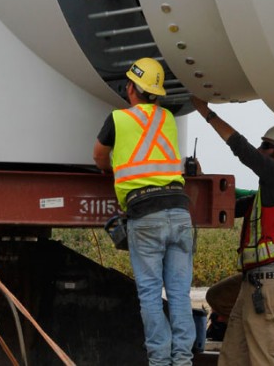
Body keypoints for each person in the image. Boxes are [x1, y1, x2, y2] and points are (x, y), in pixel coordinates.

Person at [191, 96, 274, 366]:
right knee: (232, 356)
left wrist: (207, 114)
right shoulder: (265, 195)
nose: (260, 149)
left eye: (266, 146)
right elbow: (228, 207)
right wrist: (198, 180)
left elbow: (242, 149)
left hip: (266, 285)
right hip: (254, 284)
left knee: (266, 360)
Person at [93, 58, 195, 366]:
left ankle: (160, 362)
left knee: (150, 295)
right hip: (179, 211)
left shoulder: (118, 119)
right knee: (179, 295)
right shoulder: (167, 119)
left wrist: (113, 172)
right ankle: (183, 361)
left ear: (132, 89)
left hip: (145, 214)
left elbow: (99, 155)